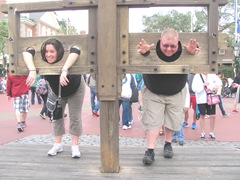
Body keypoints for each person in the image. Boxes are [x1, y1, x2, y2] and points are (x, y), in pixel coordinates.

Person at [137, 28, 200, 165]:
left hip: (176, 90)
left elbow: (199, 59)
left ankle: (168, 144)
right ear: (159, 42)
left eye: (173, 46)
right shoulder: (151, 48)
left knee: (172, 119)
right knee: (152, 120)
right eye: (165, 45)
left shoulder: (184, 50)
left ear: (178, 43)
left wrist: (192, 55)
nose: (169, 49)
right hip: (153, 89)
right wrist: (144, 54)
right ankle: (150, 150)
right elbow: (137, 58)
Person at [22, 38, 85, 158]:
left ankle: (75, 145)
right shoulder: (42, 60)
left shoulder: (66, 57)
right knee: (56, 116)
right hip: (57, 91)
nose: (48, 55)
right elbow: (26, 50)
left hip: (76, 88)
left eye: (52, 51)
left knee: (75, 116)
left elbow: (76, 48)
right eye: (46, 51)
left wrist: (65, 70)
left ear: (59, 52)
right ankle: (57, 144)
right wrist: (32, 69)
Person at [192, 73, 220, 140]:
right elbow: (194, 88)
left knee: (213, 115)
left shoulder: (212, 75)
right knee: (202, 115)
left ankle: (211, 132)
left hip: (211, 97)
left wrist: (216, 88)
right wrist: (203, 85)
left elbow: (219, 83)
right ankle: (202, 132)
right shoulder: (197, 76)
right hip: (201, 98)